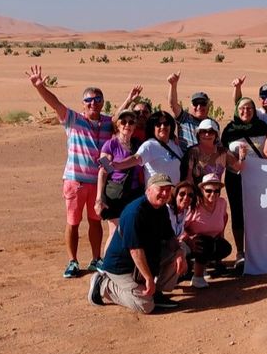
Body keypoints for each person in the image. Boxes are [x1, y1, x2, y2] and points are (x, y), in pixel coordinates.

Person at [26, 65, 113, 278]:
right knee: (73, 222)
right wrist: (40, 87)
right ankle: (72, 261)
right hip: (75, 180)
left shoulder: (109, 123)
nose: (93, 103)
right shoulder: (73, 119)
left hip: (97, 182)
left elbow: (125, 121)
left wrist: (129, 99)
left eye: (98, 99)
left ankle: (96, 259)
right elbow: (54, 103)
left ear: (102, 102)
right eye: (89, 100)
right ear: (83, 104)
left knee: (95, 221)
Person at [87, 173, 187, 314]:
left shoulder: (162, 209)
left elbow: (169, 237)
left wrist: (179, 252)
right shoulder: (135, 213)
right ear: (148, 190)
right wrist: (148, 278)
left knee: (180, 251)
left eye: (168, 189)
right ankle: (104, 285)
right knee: (145, 306)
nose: (165, 193)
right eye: (160, 189)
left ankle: (155, 293)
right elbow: (135, 250)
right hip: (122, 267)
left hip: (141, 260)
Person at [221, 98, 267, 264]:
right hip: (235, 177)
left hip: (261, 177)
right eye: (242, 108)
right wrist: (236, 160)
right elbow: (222, 153)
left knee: (260, 211)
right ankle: (240, 252)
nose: (245, 111)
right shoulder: (229, 129)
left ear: (254, 110)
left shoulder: (262, 127)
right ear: (236, 110)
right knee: (238, 212)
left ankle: (259, 250)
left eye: (249, 108)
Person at [95, 109, 144, 254]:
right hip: (116, 192)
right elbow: (103, 171)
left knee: (132, 230)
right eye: (123, 121)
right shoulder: (110, 145)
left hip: (134, 193)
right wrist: (99, 197)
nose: (127, 125)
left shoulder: (137, 144)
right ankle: (107, 267)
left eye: (131, 122)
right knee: (115, 231)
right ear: (118, 124)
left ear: (135, 126)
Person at [184, 174, 232, 289]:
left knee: (224, 247)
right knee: (204, 243)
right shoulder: (194, 205)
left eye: (217, 191)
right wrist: (189, 240)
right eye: (209, 190)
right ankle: (197, 276)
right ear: (202, 190)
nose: (213, 194)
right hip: (192, 242)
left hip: (210, 241)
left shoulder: (222, 203)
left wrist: (221, 234)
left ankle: (201, 265)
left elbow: (224, 217)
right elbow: (182, 226)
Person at [184, 118, 241, 185]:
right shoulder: (193, 152)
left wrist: (242, 156)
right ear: (198, 134)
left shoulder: (223, 152)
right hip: (197, 193)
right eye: (203, 131)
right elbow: (188, 178)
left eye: (211, 132)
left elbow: (238, 167)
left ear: (216, 135)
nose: (207, 134)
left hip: (215, 193)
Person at [136, 111, 185, 184]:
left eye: (166, 124)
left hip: (174, 192)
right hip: (158, 193)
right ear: (153, 127)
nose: (163, 127)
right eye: (158, 124)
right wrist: (118, 165)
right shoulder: (149, 145)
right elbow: (136, 158)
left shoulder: (174, 144)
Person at [167, 72, 209, 148]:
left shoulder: (212, 124)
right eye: (195, 103)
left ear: (208, 106)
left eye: (203, 103)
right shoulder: (184, 118)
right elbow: (173, 104)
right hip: (187, 158)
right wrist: (173, 85)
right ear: (191, 105)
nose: (199, 107)